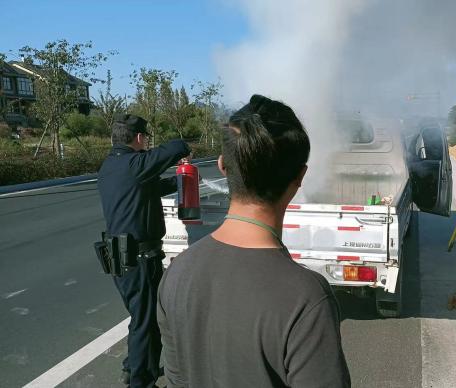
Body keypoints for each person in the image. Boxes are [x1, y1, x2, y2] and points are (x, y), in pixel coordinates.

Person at [157, 95, 351, 387]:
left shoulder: (177, 272)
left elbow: (176, 381)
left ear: (223, 166)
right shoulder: (306, 298)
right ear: (300, 177)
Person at [97, 114, 191, 387]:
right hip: (138, 259)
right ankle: (141, 381)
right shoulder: (136, 163)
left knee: (142, 317)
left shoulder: (111, 166)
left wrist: (179, 181)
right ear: (138, 138)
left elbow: (146, 188)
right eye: (146, 138)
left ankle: (135, 366)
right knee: (146, 322)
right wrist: (185, 149)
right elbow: (174, 148)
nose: (147, 142)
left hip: (121, 258)